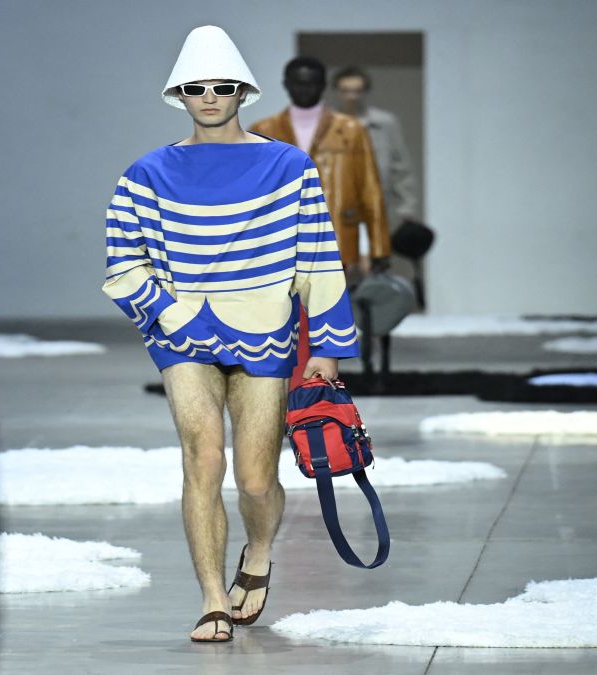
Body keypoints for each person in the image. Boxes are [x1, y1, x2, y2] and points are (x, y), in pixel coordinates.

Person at [102, 26, 359, 643]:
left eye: (221, 87)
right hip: (181, 334)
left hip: (265, 330)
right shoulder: (148, 172)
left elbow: (318, 255)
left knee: (254, 479)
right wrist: (171, 313)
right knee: (201, 460)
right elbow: (120, 259)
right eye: (196, 88)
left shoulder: (288, 167)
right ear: (178, 96)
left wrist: (326, 345)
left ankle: (260, 553)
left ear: (242, 91)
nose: (209, 97)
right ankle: (213, 598)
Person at [250, 57, 390, 281]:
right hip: (280, 236)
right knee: (285, 310)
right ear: (286, 84)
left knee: (331, 309)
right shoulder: (264, 130)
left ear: (323, 85)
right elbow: (252, 192)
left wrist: (379, 247)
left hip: (336, 233)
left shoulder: (351, 130)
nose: (305, 89)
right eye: (298, 83)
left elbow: (370, 189)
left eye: (312, 83)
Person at [332, 66, 419, 235]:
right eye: (346, 91)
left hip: (377, 203)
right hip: (336, 204)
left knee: (376, 256)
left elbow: (400, 167)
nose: (352, 97)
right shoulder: (325, 123)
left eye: (357, 91)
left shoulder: (385, 123)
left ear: (366, 92)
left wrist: (407, 206)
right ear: (337, 92)